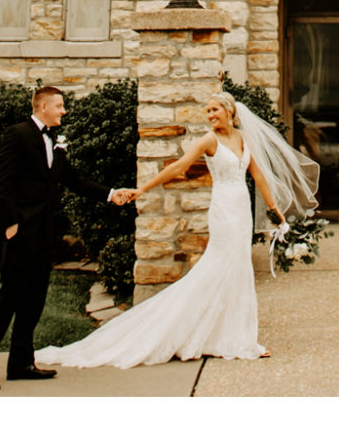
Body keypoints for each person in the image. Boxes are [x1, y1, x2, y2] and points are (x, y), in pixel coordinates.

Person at [33, 90, 318, 369]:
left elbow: (259, 177)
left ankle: (235, 336)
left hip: (241, 209)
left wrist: (275, 212)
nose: (210, 115)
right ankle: (205, 333)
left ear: (230, 111)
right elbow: (179, 166)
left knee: (239, 268)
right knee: (220, 266)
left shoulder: (244, 138)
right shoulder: (209, 140)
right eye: (208, 111)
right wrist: (143, 189)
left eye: (215, 110)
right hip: (223, 211)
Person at [0, 84, 126, 390]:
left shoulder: (55, 140)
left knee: (34, 296)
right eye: (59, 106)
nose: (64, 111)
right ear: (43, 106)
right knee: (10, 295)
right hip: (21, 230)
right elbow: (3, 183)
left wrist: (111, 194)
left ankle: (21, 362)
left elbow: (74, 179)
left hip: (44, 232)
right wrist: (11, 224)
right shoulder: (18, 133)